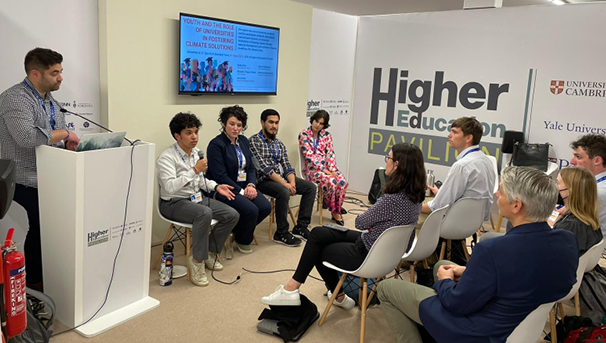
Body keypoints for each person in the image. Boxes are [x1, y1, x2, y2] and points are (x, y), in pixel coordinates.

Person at [378, 166, 579, 343]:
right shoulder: (567, 241)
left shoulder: (494, 250)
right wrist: (468, 271)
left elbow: (457, 304)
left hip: (475, 331)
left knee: (387, 288)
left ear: (517, 205)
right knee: (443, 264)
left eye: (501, 192)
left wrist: (444, 282)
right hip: (516, 323)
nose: (497, 194)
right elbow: (546, 280)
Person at [261, 143, 425, 308]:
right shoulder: (416, 197)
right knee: (319, 233)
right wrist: (377, 224)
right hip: (386, 251)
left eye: (388, 158)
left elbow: (360, 222)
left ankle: (330, 295)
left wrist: (374, 221)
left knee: (317, 251)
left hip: (369, 253)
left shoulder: (391, 200)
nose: (386, 162)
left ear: (397, 165)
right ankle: (294, 290)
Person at [0, 48, 81, 290]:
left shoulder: (50, 101)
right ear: (36, 73)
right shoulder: (15, 98)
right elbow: (26, 137)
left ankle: (52, 279)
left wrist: (67, 141)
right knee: (43, 229)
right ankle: (36, 285)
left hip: (49, 176)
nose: (60, 78)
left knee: (52, 230)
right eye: (55, 73)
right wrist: (64, 134)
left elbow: (58, 130)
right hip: (23, 179)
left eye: (61, 72)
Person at [157, 112, 239, 287]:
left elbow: (201, 181)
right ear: (177, 135)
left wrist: (216, 187)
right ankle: (197, 262)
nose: (194, 136)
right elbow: (170, 187)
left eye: (195, 132)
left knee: (231, 214)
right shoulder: (166, 158)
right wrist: (194, 169)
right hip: (173, 202)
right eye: (188, 133)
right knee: (204, 213)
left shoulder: (196, 153)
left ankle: (209, 251)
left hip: (195, 198)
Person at [206, 105, 272, 254]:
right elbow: (219, 176)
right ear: (223, 123)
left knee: (265, 207)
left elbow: (250, 167)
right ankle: (244, 239)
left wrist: (251, 185)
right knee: (251, 210)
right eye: (232, 124)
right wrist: (242, 192)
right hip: (223, 188)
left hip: (244, 186)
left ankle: (237, 232)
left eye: (239, 125)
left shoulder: (243, 140)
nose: (236, 128)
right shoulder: (216, 145)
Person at [249, 109, 317, 247]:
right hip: (262, 181)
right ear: (262, 123)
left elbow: (287, 166)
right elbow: (265, 169)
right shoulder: (253, 141)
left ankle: (301, 226)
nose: (274, 126)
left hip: (280, 178)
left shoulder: (278, 144)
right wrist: (285, 185)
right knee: (283, 191)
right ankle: (281, 233)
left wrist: (291, 182)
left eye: (276, 123)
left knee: (310, 187)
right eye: (271, 122)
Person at [421, 117, 495, 221]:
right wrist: (441, 194)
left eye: (454, 132)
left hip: (454, 221)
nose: (449, 135)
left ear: (468, 138)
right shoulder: (486, 160)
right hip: (474, 221)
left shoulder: (462, 166)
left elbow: (437, 206)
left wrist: (412, 207)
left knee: (412, 214)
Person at [298, 110, 348, 225]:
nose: (317, 125)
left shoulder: (327, 135)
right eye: (316, 121)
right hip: (312, 170)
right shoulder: (304, 134)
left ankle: (336, 207)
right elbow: (309, 157)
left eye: (321, 123)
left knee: (342, 181)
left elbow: (330, 154)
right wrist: (325, 171)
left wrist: (333, 170)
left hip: (327, 168)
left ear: (324, 125)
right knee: (331, 181)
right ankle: (335, 212)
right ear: (312, 120)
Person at [553, 167, 602, 255]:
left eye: (558, 183)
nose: (556, 186)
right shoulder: (589, 219)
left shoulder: (569, 226)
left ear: (569, 190)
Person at [570, 134, 606, 235]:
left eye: (578, 157)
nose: (572, 162)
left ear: (597, 160)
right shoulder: (597, 186)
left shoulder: (595, 192)